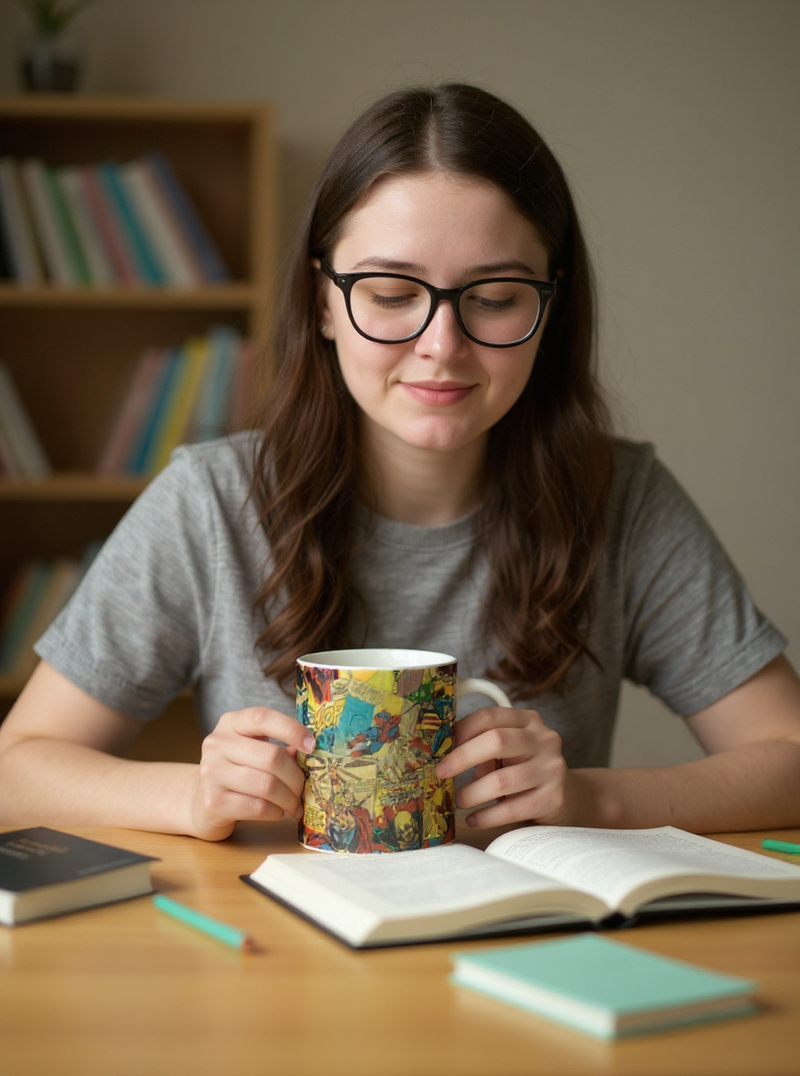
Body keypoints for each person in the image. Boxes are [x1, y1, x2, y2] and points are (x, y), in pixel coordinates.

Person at [0, 83, 798, 842]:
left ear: (550, 309)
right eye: (389, 292)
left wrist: (592, 797)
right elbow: (15, 771)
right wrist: (192, 794)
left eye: (494, 297)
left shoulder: (620, 501)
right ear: (322, 302)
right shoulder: (211, 502)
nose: (441, 348)